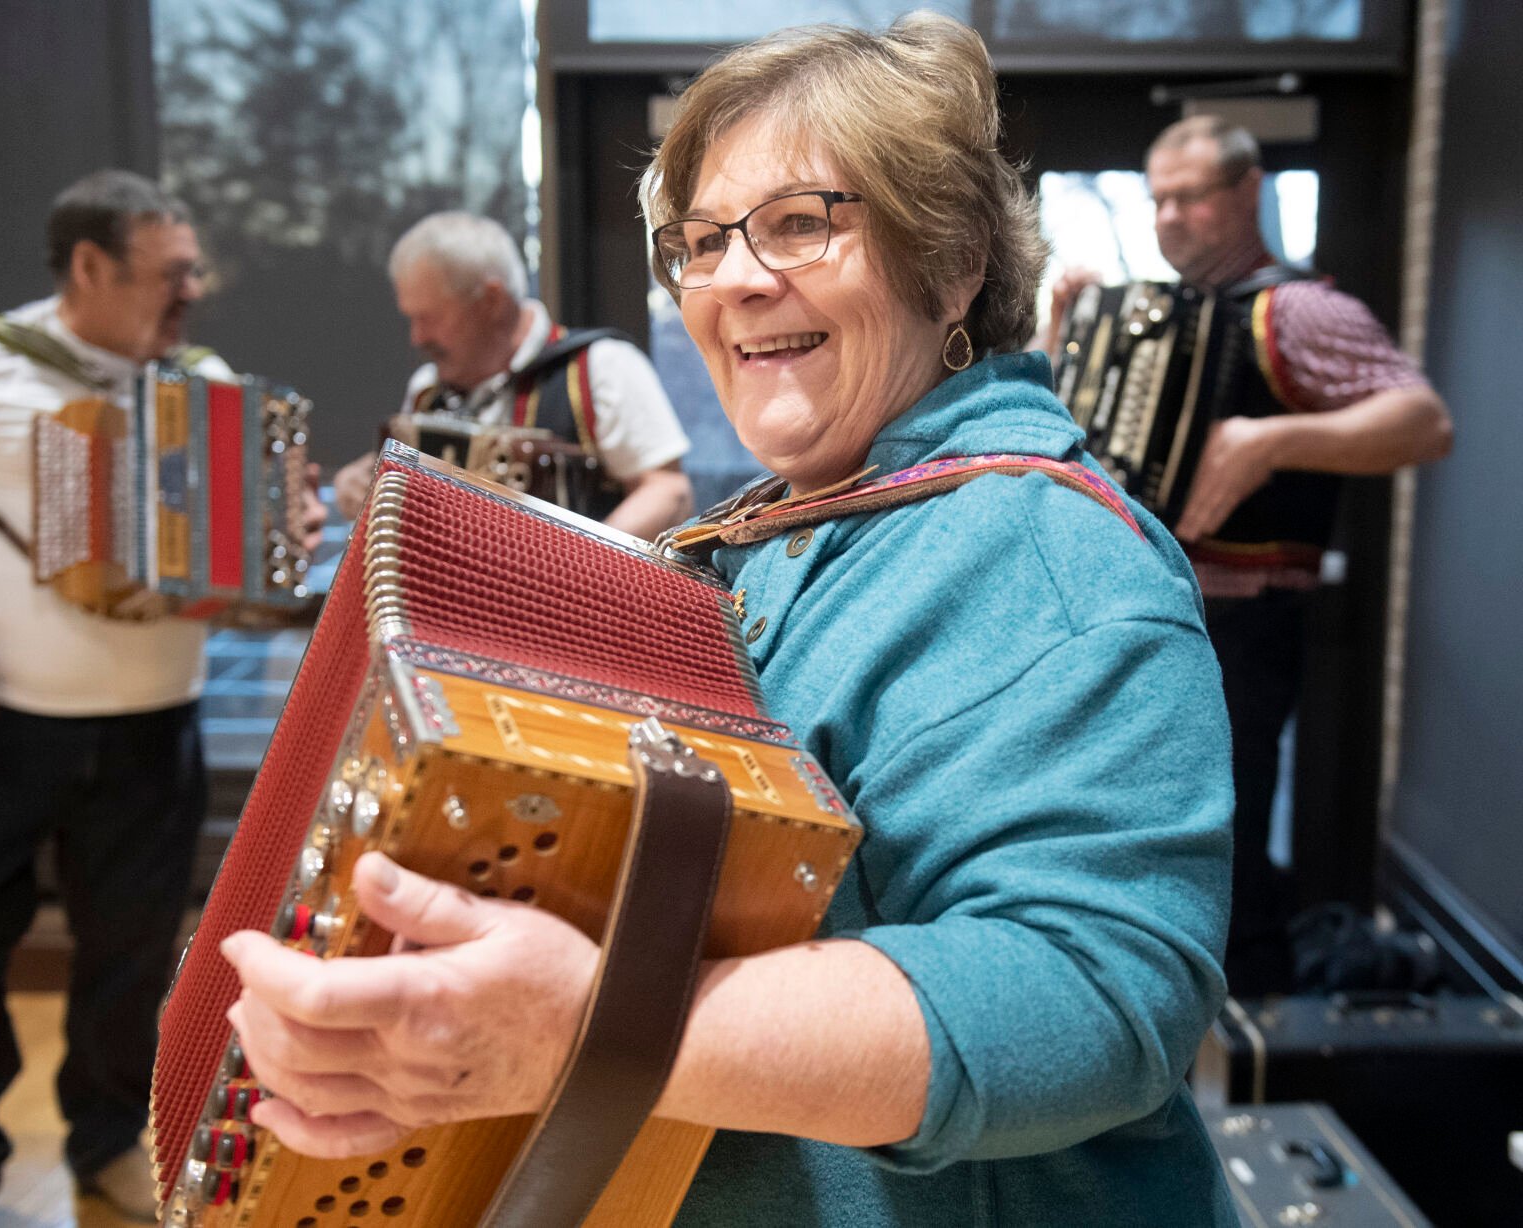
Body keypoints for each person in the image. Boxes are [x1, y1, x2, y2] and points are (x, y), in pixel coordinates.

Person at [219, 15, 1238, 1226]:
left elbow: (1087, 1000)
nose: (736, 279)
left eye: (800, 222)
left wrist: (590, 1031)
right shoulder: (773, 529)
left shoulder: (1048, 553)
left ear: (954, 259)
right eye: (698, 242)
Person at [0, 170, 265, 1228]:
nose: (193, 291)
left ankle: (109, 1144)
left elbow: (238, 574)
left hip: (152, 730)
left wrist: (274, 528)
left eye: (196, 269)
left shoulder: (202, 383)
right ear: (89, 267)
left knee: (127, 956)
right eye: (171, 273)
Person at [1040, 115, 1453, 994]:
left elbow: (1422, 421)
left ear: (1247, 191)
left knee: (1218, 841)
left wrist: (1270, 442)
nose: (1169, 218)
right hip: (1145, 614)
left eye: (1190, 197)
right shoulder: (1154, 314)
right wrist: (1060, 334)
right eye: (1158, 200)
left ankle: (1247, 1024)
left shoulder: (1297, 310)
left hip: (1244, 622)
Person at [331, 212, 694, 539]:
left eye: (430, 318)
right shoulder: (427, 389)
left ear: (491, 301)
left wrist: (572, 571)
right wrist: (364, 484)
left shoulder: (603, 366)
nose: (417, 337)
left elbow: (668, 492)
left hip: (577, 607)